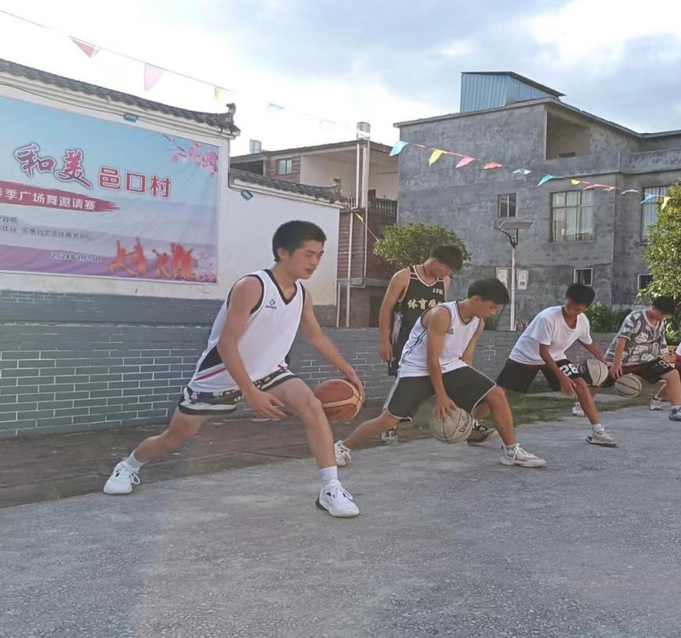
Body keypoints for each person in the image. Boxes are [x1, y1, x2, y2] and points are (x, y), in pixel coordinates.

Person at [102, 221, 363, 518]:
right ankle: (129, 466)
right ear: (283, 252)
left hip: (269, 371)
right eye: (308, 254)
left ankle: (330, 489)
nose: (315, 262)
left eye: (319, 255)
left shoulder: (302, 294)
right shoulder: (252, 286)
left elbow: (316, 336)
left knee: (312, 406)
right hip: (219, 375)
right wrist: (250, 392)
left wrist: (348, 370)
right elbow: (227, 345)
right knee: (175, 437)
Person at [334, 279, 545, 469]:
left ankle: (511, 451)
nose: (492, 313)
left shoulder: (478, 323)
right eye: (491, 307)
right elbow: (432, 359)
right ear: (476, 300)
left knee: (496, 394)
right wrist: (442, 395)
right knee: (388, 421)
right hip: (417, 368)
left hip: (451, 365)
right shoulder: (442, 315)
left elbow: (466, 359)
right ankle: (342, 447)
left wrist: (466, 394)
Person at [376, 245, 496, 446]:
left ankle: (467, 425)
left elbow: (443, 310)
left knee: (450, 380)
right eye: (446, 268)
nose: (447, 273)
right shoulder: (404, 277)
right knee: (402, 382)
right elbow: (386, 309)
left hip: (434, 338)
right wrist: (384, 340)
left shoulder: (444, 281)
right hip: (407, 340)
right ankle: (388, 426)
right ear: (435, 261)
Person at [495, 284, 618, 447]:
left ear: (585, 308)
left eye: (577, 309)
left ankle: (598, 431)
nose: (571, 311)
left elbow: (585, 340)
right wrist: (562, 377)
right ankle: (475, 425)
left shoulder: (582, 321)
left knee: (580, 384)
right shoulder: (548, 318)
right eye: (569, 306)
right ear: (565, 300)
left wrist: (602, 359)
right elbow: (543, 352)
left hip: (556, 356)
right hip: (526, 356)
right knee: (498, 392)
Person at [605, 296, 681, 423]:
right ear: (653, 308)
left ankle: (677, 410)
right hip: (622, 358)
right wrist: (616, 363)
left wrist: (663, 363)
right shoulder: (635, 317)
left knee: (673, 374)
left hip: (645, 359)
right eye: (661, 314)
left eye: (666, 315)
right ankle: (581, 405)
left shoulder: (660, 322)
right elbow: (622, 339)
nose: (663, 317)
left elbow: (659, 343)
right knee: (598, 379)